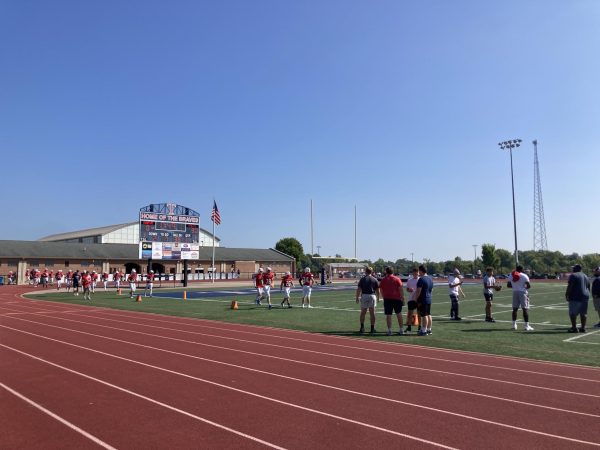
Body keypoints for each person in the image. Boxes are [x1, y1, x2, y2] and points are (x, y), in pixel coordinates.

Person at [379, 267, 405, 336]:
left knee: (388, 315)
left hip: (387, 299)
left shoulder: (383, 280)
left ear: (386, 272)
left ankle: (389, 330)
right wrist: (403, 299)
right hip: (397, 299)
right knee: (399, 314)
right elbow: (401, 289)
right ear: (393, 271)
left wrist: (384, 296)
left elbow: (381, 289)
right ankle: (401, 330)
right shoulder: (397, 279)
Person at [565, 264, 591, 333]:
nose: (572, 269)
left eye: (573, 268)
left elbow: (570, 285)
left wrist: (567, 294)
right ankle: (583, 328)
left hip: (576, 296)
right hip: (585, 296)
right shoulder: (586, 276)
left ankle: (574, 328)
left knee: (573, 313)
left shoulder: (573, 275)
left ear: (576, 269)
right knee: (583, 313)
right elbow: (588, 286)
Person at [508, 265, 534, 331]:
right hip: (522, 292)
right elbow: (528, 286)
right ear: (522, 270)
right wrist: (523, 287)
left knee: (515, 309)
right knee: (525, 309)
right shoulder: (524, 276)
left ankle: (514, 325)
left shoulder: (511, 275)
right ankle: (526, 326)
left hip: (515, 292)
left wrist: (515, 286)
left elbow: (508, 285)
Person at [355, 266, 380, 334]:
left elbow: (359, 289)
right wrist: (378, 297)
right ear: (372, 272)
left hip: (364, 295)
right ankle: (372, 329)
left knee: (363, 312)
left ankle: (362, 328)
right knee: (372, 313)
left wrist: (357, 297)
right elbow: (378, 290)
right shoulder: (375, 279)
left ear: (366, 271)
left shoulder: (362, 279)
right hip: (372, 296)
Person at [414, 265, 434, 335]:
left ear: (421, 271)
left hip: (423, 299)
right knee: (428, 314)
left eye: (419, 270)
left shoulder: (421, 279)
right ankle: (429, 329)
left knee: (424, 315)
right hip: (429, 298)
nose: (418, 272)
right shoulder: (430, 279)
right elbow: (431, 289)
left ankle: (424, 330)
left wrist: (416, 299)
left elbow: (418, 290)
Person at [405, 268, 420, 333]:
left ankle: (420, 327)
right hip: (411, 299)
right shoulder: (409, 280)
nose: (415, 274)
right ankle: (409, 327)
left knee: (419, 313)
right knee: (410, 313)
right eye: (414, 272)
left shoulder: (420, 279)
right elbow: (407, 289)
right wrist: (409, 289)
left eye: (416, 272)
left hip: (419, 299)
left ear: (418, 272)